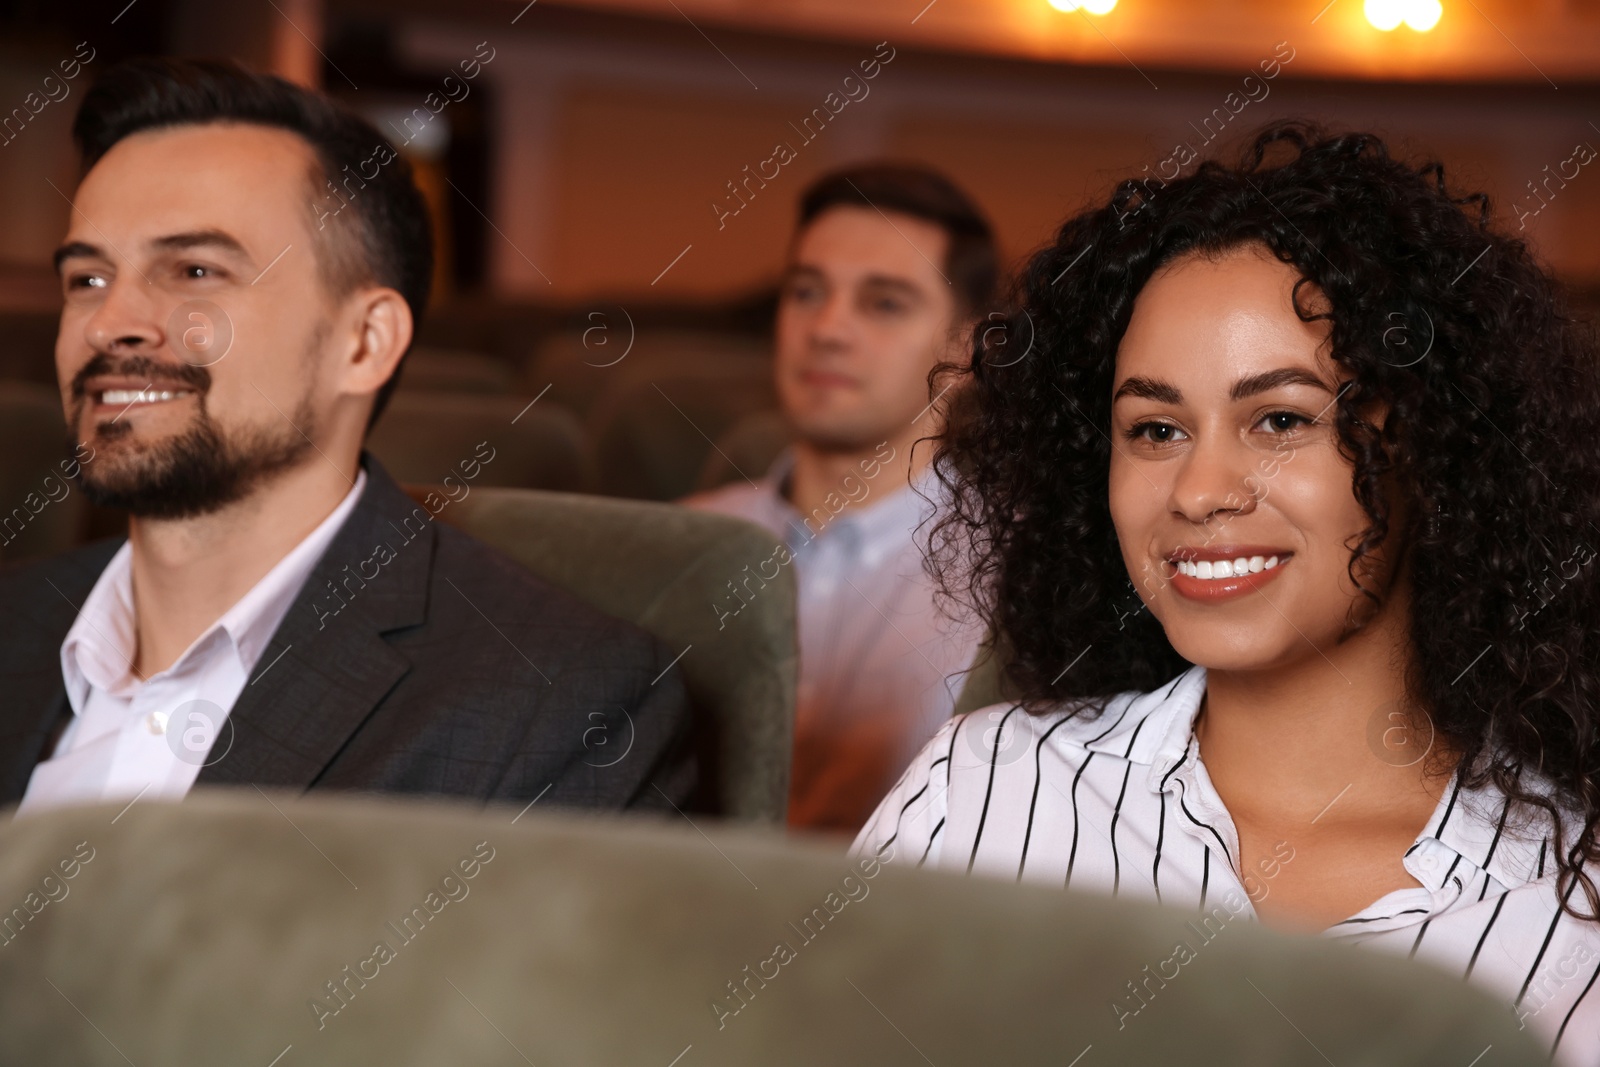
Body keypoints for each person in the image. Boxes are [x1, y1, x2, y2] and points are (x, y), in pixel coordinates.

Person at [854, 121, 1600, 1064]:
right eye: (1156, 429)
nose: (1201, 490)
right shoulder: (982, 794)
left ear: (1432, 449)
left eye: (1279, 418)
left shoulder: (1574, 898)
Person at [0, 58, 695, 814]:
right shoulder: (16, 618)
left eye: (194, 270)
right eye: (87, 280)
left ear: (365, 342)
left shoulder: (558, 706)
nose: (108, 323)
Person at [686, 164, 995, 833]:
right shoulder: (678, 540)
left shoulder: (1020, 573)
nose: (826, 328)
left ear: (964, 346)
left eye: (883, 302)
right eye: (805, 291)